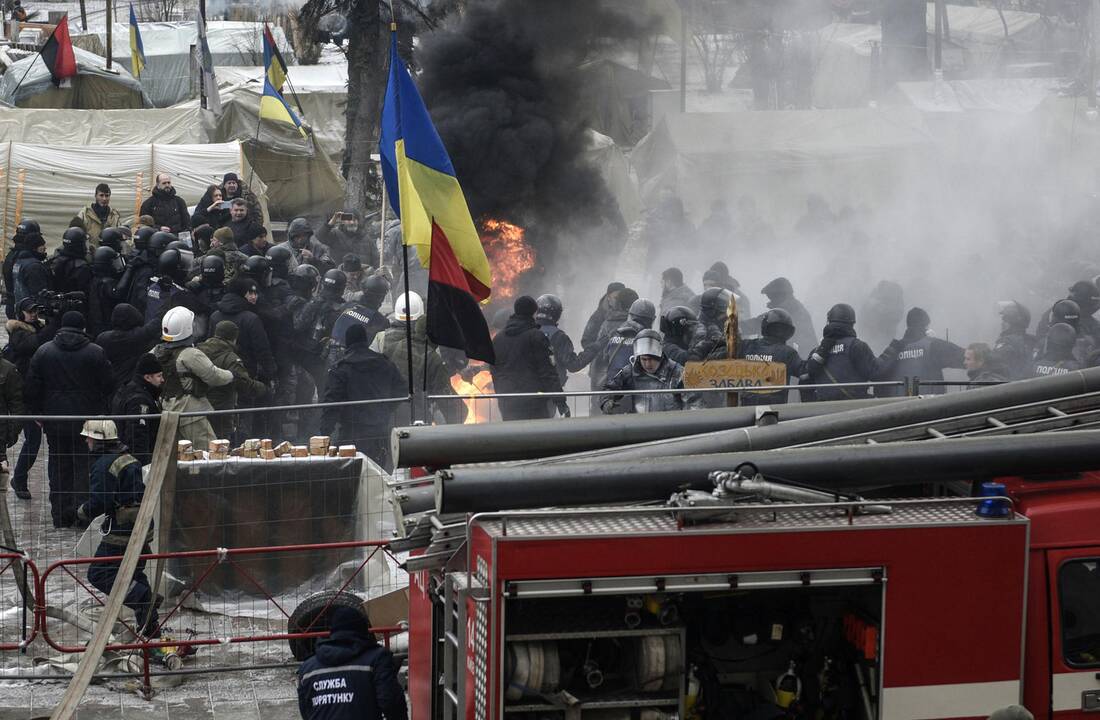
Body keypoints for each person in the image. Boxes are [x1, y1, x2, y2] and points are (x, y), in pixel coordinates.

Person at [24, 311, 114, 528]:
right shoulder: (95, 352)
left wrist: (38, 413)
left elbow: (32, 388)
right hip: (87, 420)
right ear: (83, 328)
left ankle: (60, 514)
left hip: (55, 421)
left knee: (58, 465)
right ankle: (83, 514)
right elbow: (110, 383)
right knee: (85, 466)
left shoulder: (44, 352)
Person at [75, 420, 161, 638]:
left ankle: (144, 599)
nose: (86, 441)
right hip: (141, 527)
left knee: (100, 573)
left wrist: (80, 512)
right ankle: (151, 629)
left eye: (89, 438)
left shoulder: (104, 464)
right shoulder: (127, 457)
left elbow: (100, 502)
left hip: (122, 531)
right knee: (135, 573)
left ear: (98, 440)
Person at [296, 606, 407, 720]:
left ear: (332, 631)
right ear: (363, 630)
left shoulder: (307, 669)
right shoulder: (376, 659)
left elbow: (306, 710)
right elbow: (391, 703)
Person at [320, 324, 405, 469]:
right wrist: (385, 409)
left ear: (348, 342)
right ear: (366, 340)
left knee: (350, 474)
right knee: (378, 474)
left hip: (352, 432)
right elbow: (402, 390)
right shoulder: (385, 363)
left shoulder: (341, 368)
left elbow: (331, 403)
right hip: (379, 431)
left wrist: (324, 432)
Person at [378, 292, 463, 426]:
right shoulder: (431, 356)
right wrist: (460, 415)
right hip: (417, 413)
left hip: (389, 411)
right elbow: (444, 394)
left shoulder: (390, 341)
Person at [153, 306, 233, 447]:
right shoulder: (190, 354)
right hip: (191, 414)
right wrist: (231, 375)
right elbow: (214, 376)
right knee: (208, 453)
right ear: (186, 328)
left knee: (177, 456)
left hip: (167, 411)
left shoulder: (156, 351)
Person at [490, 296, 569, 421]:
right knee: (537, 438)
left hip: (507, 402)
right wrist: (560, 400)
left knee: (513, 438)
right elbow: (547, 371)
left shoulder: (498, 339)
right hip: (534, 403)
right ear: (534, 311)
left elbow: (494, 370)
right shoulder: (536, 336)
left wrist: (502, 394)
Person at [5, 297, 50, 499]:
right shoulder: (19, 333)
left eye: (35, 310)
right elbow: (32, 345)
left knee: (32, 440)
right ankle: (19, 478)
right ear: (20, 313)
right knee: (32, 440)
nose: (33, 314)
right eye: (29, 311)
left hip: (33, 396)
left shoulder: (39, 328)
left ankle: (20, 479)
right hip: (24, 398)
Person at [799, 303, 889, 402]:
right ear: (852, 324)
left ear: (829, 322)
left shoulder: (816, 352)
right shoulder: (856, 346)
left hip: (824, 412)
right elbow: (877, 374)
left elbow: (804, 383)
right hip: (855, 410)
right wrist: (890, 353)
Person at [197, 321, 268, 441]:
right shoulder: (230, 358)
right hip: (221, 411)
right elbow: (244, 384)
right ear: (234, 338)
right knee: (221, 448)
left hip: (198, 409)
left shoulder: (198, 351)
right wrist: (264, 388)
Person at [601, 329, 699, 414]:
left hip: (671, 428)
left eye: (652, 359)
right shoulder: (630, 372)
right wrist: (607, 401)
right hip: (641, 427)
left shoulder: (677, 372)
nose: (648, 364)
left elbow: (695, 403)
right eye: (644, 359)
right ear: (638, 358)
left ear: (660, 356)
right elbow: (609, 389)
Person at [877, 307, 965, 397]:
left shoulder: (894, 349)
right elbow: (967, 358)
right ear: (926, 326)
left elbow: (877, 373)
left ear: (908, 325)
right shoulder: (933, 345)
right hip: (930, 405)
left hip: (899, 406)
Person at [210, 277, 276, 385]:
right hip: (246, 373)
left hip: (218, 372)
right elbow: (262, 349)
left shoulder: (214, 316)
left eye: (256, 293)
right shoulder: (251, 318)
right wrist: (271, 372)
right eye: (250, 293)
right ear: (241, 294)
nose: (254, 297)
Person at [736, 308, 803, 405]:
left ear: (765, 326)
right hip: (774, 409)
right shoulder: (788, 352)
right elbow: (805, 373)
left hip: (747, 407)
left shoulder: (746, 345)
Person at [593, 297, 657, 391]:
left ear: (630, 316)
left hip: (613, 392)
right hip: (636, 394)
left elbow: (605, 359)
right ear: (651, 320)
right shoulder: (649, 340)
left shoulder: (614, 334)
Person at [110, 354, 163, 465]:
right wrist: (142, 466)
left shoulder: (127, 389)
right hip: (136, 462)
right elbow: (137, 436)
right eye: (159, 376)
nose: (162, 380)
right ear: (147, 377)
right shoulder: (139, 400)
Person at [535, 293, 591, 388]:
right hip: (551, 391)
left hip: (525, 391)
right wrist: (593, 349)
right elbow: (573, 365)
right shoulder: (558, 336)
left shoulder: (526, 332)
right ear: (557, 313)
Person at [760, 277, 816, 354]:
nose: (770, 300)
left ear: (781, 296)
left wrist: (739, 325)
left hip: (798, 358)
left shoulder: (789, 309)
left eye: (772, 297)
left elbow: (760, 322)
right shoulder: (794, 307)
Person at [992, 300, 1036, 382]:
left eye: (1005, 320)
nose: (1002, 323)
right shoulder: (1032, 341)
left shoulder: (1007, 341)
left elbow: (991, 363)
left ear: (1014, 322)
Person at [11, 225, 50, 309]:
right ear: (35, 248)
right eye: (42, 245)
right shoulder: (34, 266)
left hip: (21, 308)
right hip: (33, 311)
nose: (45, 248)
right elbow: (39, 293)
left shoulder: (18, 261)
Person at [581, 281, 626, 352]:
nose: (618, 301)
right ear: (608, 297)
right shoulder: (598, 316)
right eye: (616, 298)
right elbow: (586, 341)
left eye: (621, 298)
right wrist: (600, 351)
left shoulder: (629, 315)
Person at [49, 227, 93, 295]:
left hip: (56, 301)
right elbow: (87, 292)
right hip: (76, 303)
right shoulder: (82, 267)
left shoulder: (53, 261)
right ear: (80, 245)